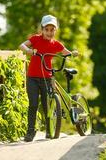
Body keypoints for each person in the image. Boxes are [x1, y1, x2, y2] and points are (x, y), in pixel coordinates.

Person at [19, 14, 76, 142]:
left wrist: (73, 53)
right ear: (42, 29)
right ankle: (30, 132)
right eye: (47, 30)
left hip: (47, 77)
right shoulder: (36, 39)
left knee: (47, 105)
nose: (49, 33)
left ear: (55, 30)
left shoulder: (56, 44)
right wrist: (28, 51)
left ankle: (49, 130)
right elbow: (22, 45)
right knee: (33, 104)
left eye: (52, 30)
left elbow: (66, 52)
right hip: (32, 78)